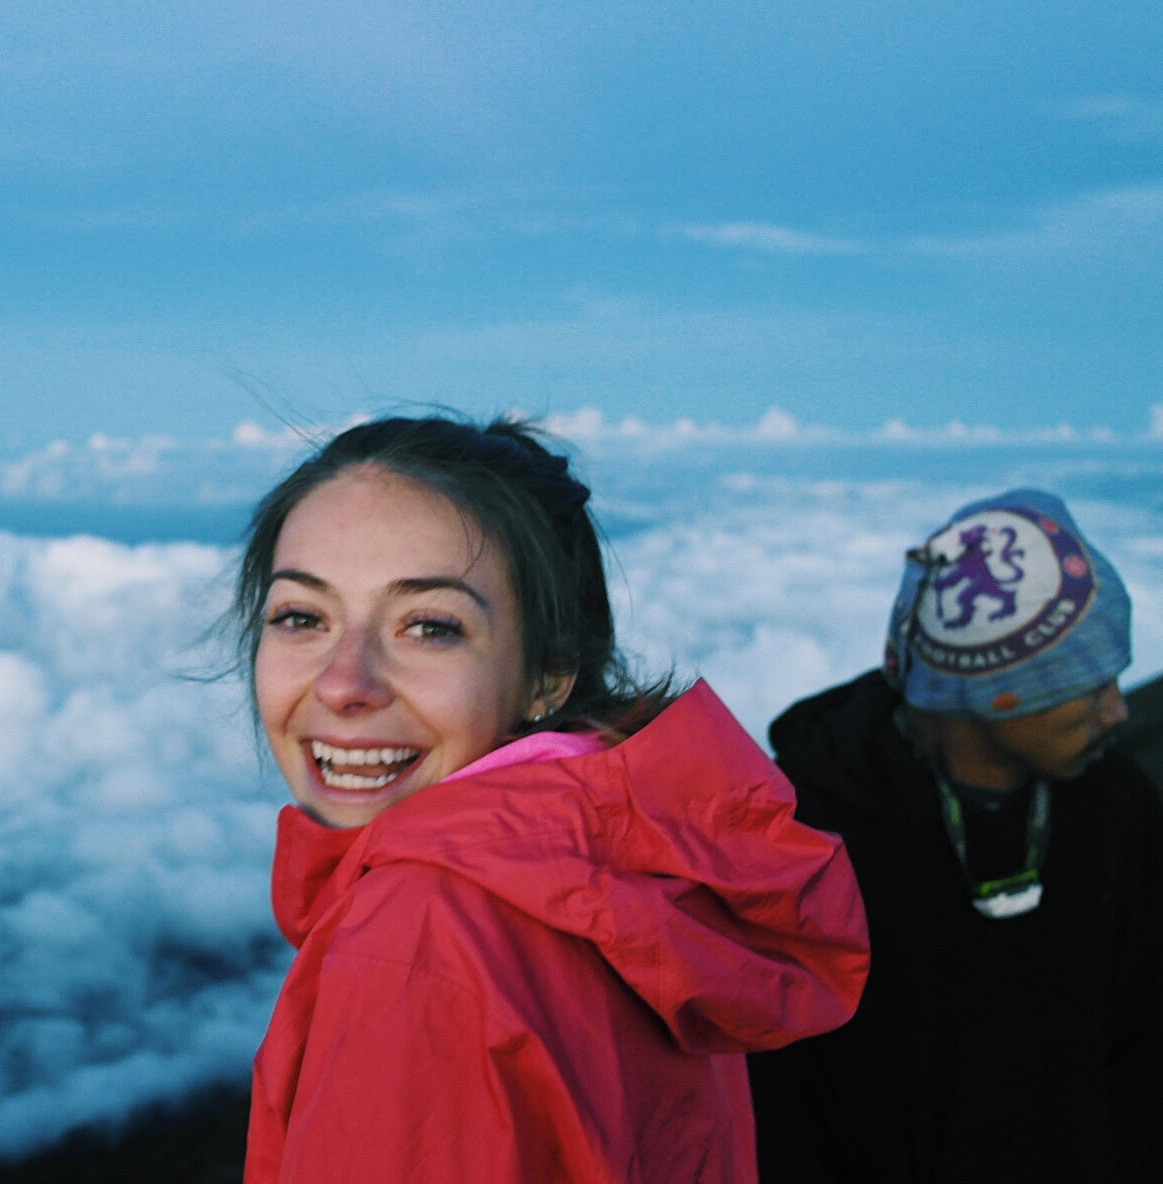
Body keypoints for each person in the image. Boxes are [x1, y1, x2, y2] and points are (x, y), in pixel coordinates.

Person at [235, 415, 870, 1183]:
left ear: (548, 675)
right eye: (301, 618)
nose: (344, 683)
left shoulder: (419, 936)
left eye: (429, 627)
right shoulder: (641, 882)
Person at [747, 488, 1163, 1183]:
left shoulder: (1116, 807)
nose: (1117, 712)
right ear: (999, 695)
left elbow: (1144, 1042)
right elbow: (785, 1095)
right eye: (1089, 688)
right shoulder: (810, 838)